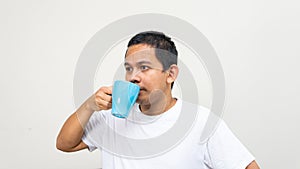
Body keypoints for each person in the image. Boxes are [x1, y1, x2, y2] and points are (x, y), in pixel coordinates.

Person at [56, 31, 260, 169]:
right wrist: (90, 105)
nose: (133, 76)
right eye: (129, 68)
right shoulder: (112, 117)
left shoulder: (201, 122)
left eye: (144, 67)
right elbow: (65, 144)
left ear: (170, 74)